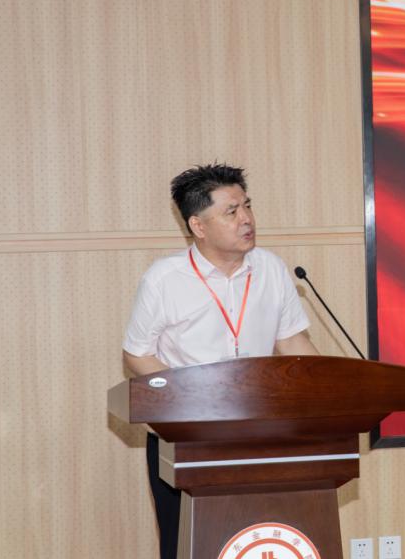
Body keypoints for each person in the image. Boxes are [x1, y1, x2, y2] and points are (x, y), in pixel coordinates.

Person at [122, 163, 319, 559]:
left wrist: (330, 389)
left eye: (247, 206)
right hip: (186, 436)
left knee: (261, 538)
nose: (246, 219)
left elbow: (292, 340)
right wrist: (195, 399)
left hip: (259, 432)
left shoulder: (271, 269)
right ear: (198, 226)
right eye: (231, 211)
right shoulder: (165, 279)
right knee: (190, 544)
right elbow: (136, 353)